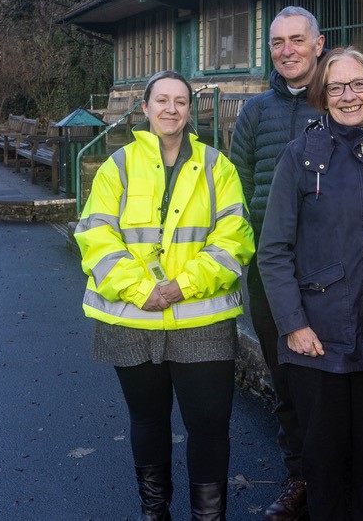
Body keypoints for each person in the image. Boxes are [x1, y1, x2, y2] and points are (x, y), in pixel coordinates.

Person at [75, 70, 255, 521]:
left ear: (190, 110)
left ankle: (208, 517)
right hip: (132, 321)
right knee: (148, 421)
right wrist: (141, 290)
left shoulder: (218, 166)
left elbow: (235, 238)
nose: (171, 109)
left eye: (180, 101)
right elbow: (96, 235)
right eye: (162, 100)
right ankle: (154, 512)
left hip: (202, 322)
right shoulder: (117, 166)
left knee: (210, 427)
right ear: (146, 107)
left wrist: (181, 286)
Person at [258, 46, 363, 521]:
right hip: (317, 340)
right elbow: (273, 250)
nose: (348, 96)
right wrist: (292, 323)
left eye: (358, 84)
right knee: (324, 466)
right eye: (336, 87)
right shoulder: (300, 157)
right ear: (322, 95)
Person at [230, 5, 324, 521]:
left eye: (296, 40)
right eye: (276, 42)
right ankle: (299, 477)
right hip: (270, 269)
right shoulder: (254, 113)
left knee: (333, 377)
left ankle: (337, 477)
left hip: (329, 268)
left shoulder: (340, 101)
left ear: (318, 43)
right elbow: (240, 187)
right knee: (284, 376)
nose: (286, 50)